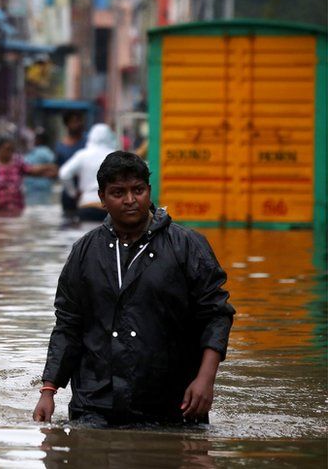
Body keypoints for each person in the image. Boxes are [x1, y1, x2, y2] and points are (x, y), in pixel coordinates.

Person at [33, 151, 235, 426]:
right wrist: (49, 390)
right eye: (118, 193)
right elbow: (68, 323)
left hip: (173, 405)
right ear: (102, 199)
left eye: (138, 190)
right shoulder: (85, 251)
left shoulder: (187, 246)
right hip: (95, 405)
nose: (130, 200)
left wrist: (205, 380)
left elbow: (216, 314)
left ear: (149, 191)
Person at [0, 135, 57, 216]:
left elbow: (31, 171)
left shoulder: (17, 162)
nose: (10, 153)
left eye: (12, 150)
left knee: (14, 227)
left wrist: (47, 168)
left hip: (15, 206)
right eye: (7, 149)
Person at [58, 123, 117, 223]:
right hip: (109, 208)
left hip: (87, 206)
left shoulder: (82, 155)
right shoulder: (116, 156)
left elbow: (64, 174)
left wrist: (73, 193)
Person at [54, 111, 87, 222]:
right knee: (68, 223)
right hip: (68, 192)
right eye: (75, 121)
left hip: (86, 191)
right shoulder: (60, 146)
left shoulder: (88, 143)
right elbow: (58, 169)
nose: (78, 124)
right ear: (67, 124)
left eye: (80, 121)